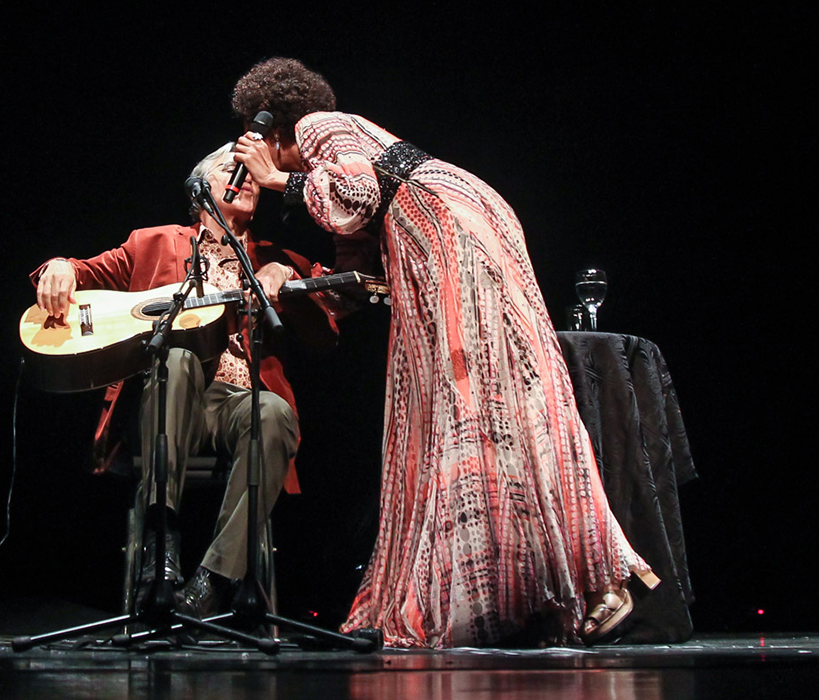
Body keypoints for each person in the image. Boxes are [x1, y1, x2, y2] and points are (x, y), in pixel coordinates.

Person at [229, 57, 660, 647]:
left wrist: (278, 178)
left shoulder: (319, 127)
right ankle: (541, 588)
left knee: (476, 401)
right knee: (491, 406)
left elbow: (356, 195)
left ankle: (597, 576)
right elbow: (358, 250)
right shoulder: (338, 144)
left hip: (447, 229)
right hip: (459, 222)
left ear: (273, 131)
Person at [31, 143, 338, 618]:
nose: (247, 178)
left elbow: (325, 338)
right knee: (176, 357)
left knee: (275, 413)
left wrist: (290, 283)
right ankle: (161, 543)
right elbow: (85, 271)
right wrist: (58, 268)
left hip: (236, 401)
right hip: (168, 396)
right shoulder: (153, 242)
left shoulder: (276, 258)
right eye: (230, 170)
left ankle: (214, 580)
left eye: (252, 174)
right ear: (200, 190)